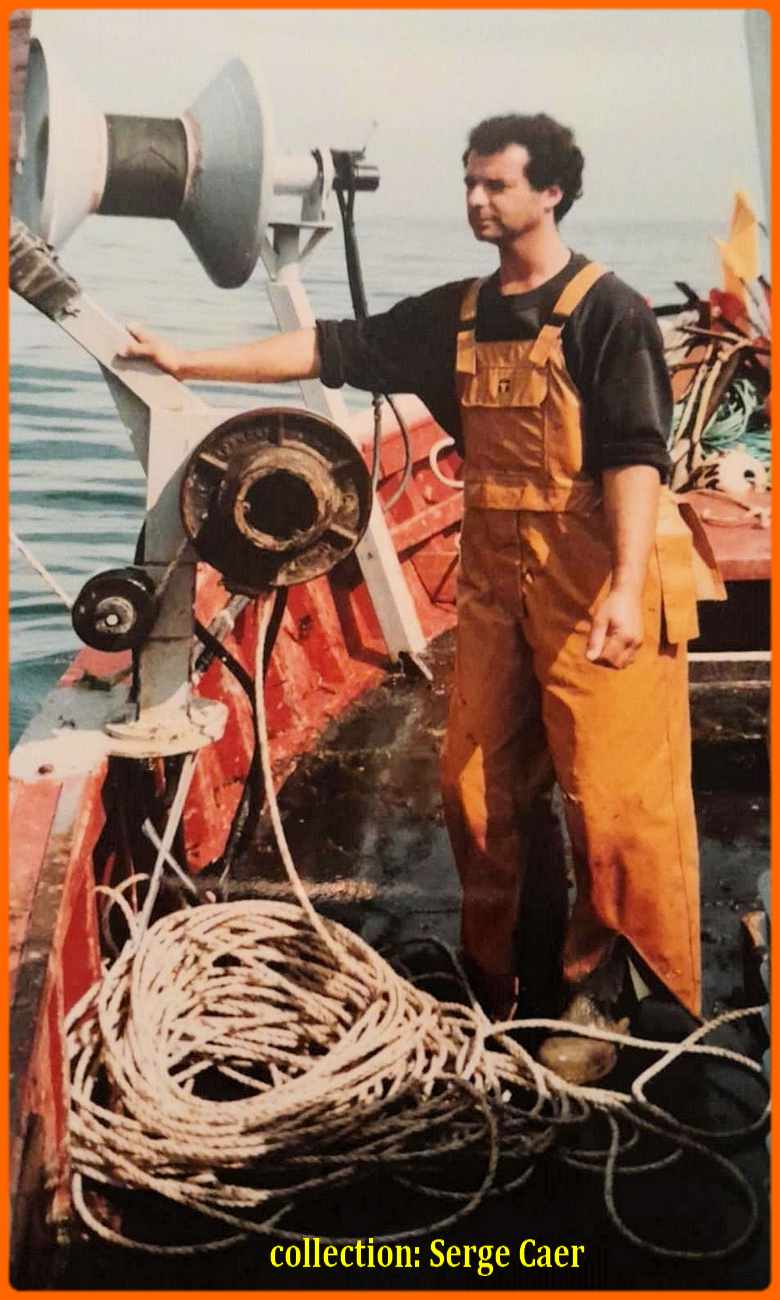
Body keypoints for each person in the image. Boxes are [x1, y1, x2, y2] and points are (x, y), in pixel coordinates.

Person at [121, 113, 723, 1084]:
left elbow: (634, 458)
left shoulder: (610, 312)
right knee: (476, 789)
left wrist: (621, 586)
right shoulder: (458, 315)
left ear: (551, 194)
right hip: (496, 583)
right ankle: (510, 972)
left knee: (615, 799)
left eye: (496, 184)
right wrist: (191, 361)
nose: (476, 200)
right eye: (469, 183)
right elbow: (331, 348)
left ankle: (606, 986)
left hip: (600, 577)